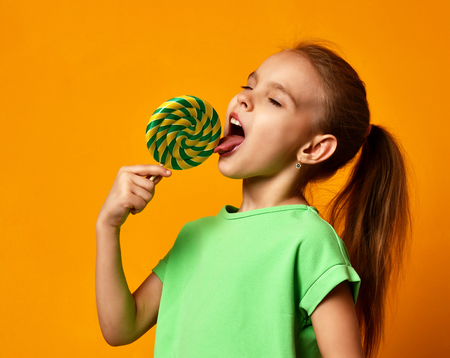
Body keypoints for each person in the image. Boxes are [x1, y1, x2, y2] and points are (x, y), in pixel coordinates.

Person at [95, 40, 410, 358]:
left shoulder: (309, 242)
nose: (243, 98)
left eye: (274, 100)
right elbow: (121, 327)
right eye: (248, 85)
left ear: (314, 148)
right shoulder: (194, 236)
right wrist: (108, 226)